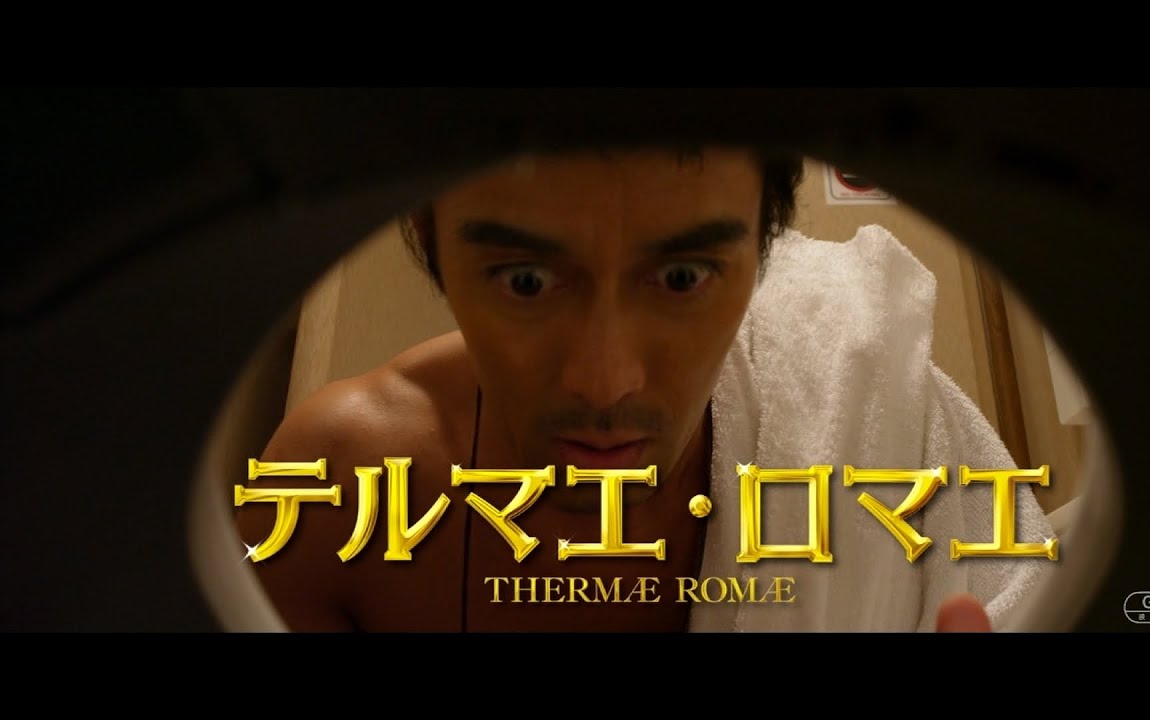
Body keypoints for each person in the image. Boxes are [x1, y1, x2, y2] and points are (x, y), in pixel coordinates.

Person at [236, 147, 1054, 632]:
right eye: (526, 280)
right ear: (433, 244)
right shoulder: (329, 498)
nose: (605, 382)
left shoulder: (871, 401)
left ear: (764, 251)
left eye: (683, 276)